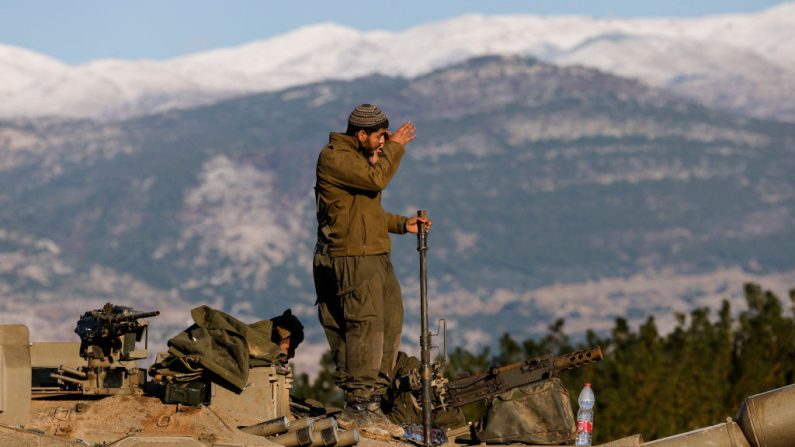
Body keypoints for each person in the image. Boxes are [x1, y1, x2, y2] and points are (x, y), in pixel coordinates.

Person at [313, 104, 431, 437]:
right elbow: (375, 180)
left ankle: (375, 402)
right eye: (379, 136)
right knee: (363, 326)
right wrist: (396, 146)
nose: (383, 142)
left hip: (375, 252)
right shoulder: (335, 157)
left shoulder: (361, 158)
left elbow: (363, 212)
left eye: (385, 137)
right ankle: (357, 405)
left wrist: (400, 224)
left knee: (390, 322)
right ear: (361, 134)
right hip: (351, 257)